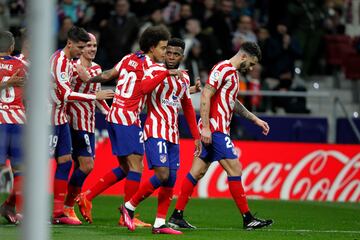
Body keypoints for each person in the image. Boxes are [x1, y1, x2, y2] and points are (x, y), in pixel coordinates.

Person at [75, 26, 182, 227]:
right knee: (136, 167)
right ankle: (128, 215)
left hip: (114, 114)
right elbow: (148, 89)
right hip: (127, 117)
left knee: (125, 167)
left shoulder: (129, 58)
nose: (165, 52)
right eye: (163, 48)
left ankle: (87, 196)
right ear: (152, 47)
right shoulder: (151, 66)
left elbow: (107, 75)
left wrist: (89, 79)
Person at [168, 42, 273, 230]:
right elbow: (206, 95)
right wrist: (207, 128)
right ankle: (248, 218)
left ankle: (177, 216)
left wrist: (255, 119)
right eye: (251, 63)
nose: (251, 67)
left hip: (215, 128)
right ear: (244, 56)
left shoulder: (233, 74)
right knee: (235, 169)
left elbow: (232, 103)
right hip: (215, 129)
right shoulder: (222, 68)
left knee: (197, 172)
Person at [121, 38, 201, 234]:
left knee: (171, 178)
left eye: (176, 54)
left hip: (173, 134)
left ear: (182, 56)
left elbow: (188, 107)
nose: (172, 57)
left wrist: (197, 136)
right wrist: (166, 72)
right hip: (155, 130)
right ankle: (129, 206)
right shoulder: (154, 70)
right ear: (164, 54)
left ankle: (159, 223)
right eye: (169, 53)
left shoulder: (184, 78)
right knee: (162, 174)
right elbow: (144, 89)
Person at [49, 26, 114, 225]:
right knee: (85, 166)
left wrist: (109, 114)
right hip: (69, 121)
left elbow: (98, 97)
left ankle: (62, 209)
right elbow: (67, 93)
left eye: (94, 45)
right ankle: (66, 205)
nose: (91, 48)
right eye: (87, 45)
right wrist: (94, 94)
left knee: (72, 164)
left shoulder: (94, 68)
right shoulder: (70, 65)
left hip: (85, 121)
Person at [0, 31, 27, 224]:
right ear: (11, 47)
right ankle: (22, 213)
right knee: (21, 169)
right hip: (18, 120)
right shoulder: (21, 65)